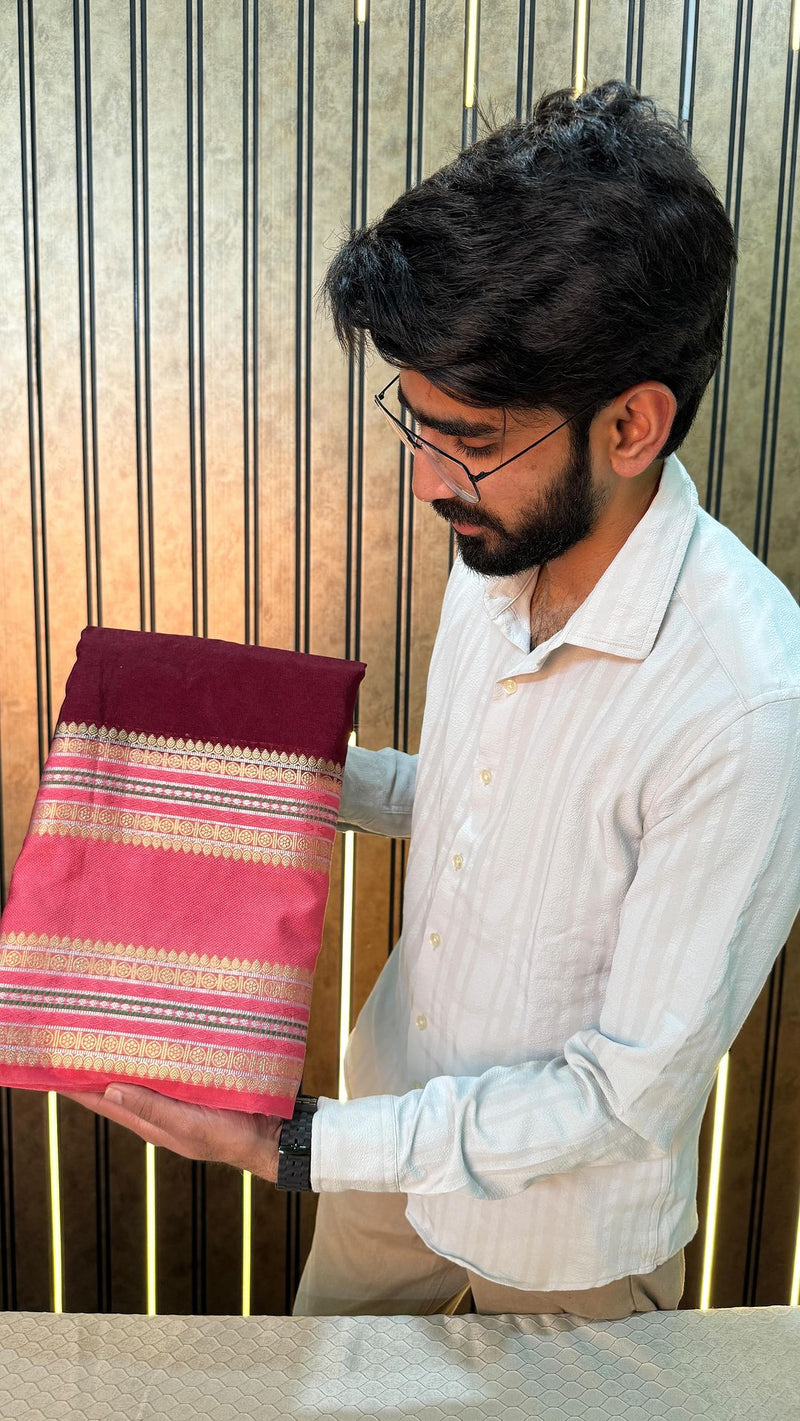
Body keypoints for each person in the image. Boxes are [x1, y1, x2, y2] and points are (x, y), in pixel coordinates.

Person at [69, 80, 800, 1321]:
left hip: (568, 1238)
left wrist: (294, 1146)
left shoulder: (746, 704)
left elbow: (622, 1094)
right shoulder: (498, 550)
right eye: (415, 417)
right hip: (386, 1155)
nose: (423, 478)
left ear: (629, 424)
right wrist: (249, 758)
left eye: (463, 436)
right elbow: (477, 797)